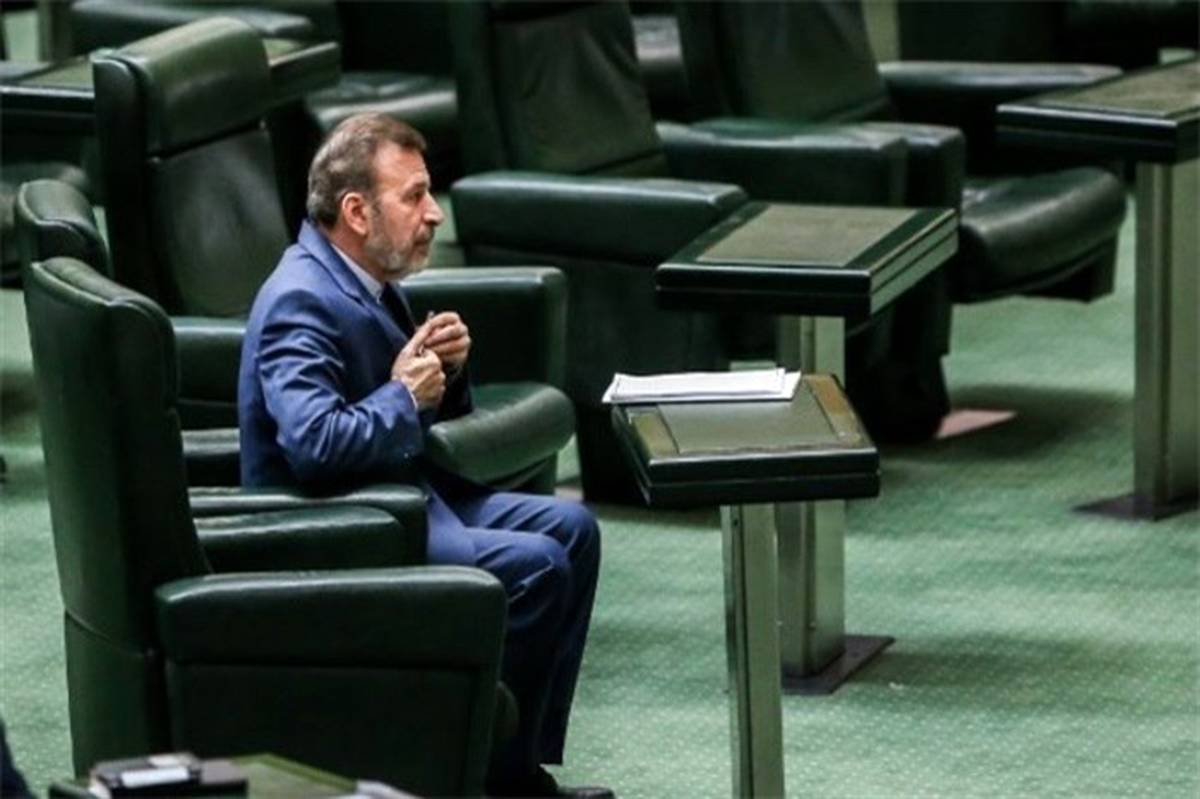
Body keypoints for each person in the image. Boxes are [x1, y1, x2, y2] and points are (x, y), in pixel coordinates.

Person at [238, 113, 610, 799]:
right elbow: (314, 446)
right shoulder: (300, 300)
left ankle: (512, 768)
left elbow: (408, 411)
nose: (435, 213)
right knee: (538, 568)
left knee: (573, 530)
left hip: (401, 493)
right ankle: (464, 772)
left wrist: (446, 372)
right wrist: (405, 395)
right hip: (341, 520)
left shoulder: (364, 278)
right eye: (413, 196)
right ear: (357, 211)